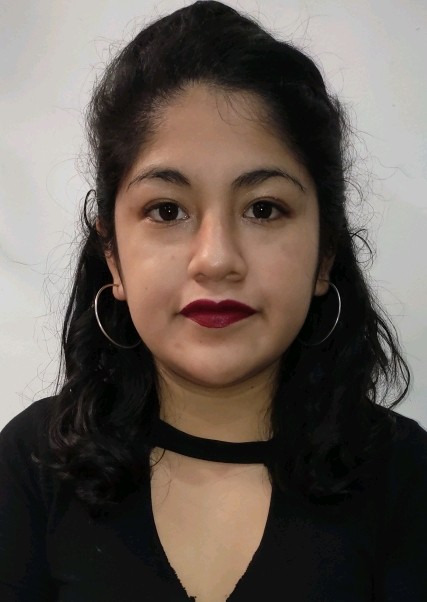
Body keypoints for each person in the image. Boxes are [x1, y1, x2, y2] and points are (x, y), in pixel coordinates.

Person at [1, 1, 426, 600]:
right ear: (113, 255)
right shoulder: (32, 466)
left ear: (325, 254)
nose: (216, 258)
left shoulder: (406, 477)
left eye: (264, 209)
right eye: (166, 210)